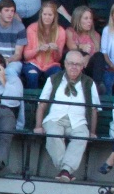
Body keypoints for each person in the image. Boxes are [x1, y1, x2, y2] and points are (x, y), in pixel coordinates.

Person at [34, 53, 98, 181]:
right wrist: (38, 126)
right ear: (65, 64)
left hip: (78, 121)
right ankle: (66, 170)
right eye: (71, 63)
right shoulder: (54, 79)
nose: (74, 67)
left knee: (82, 136)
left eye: (78, 64)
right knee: (53, 134)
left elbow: (94, 109)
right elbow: (42, 104)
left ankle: (64, 171)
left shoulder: (88, 83)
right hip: (54, 119)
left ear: (83, 66)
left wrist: (92, 132)